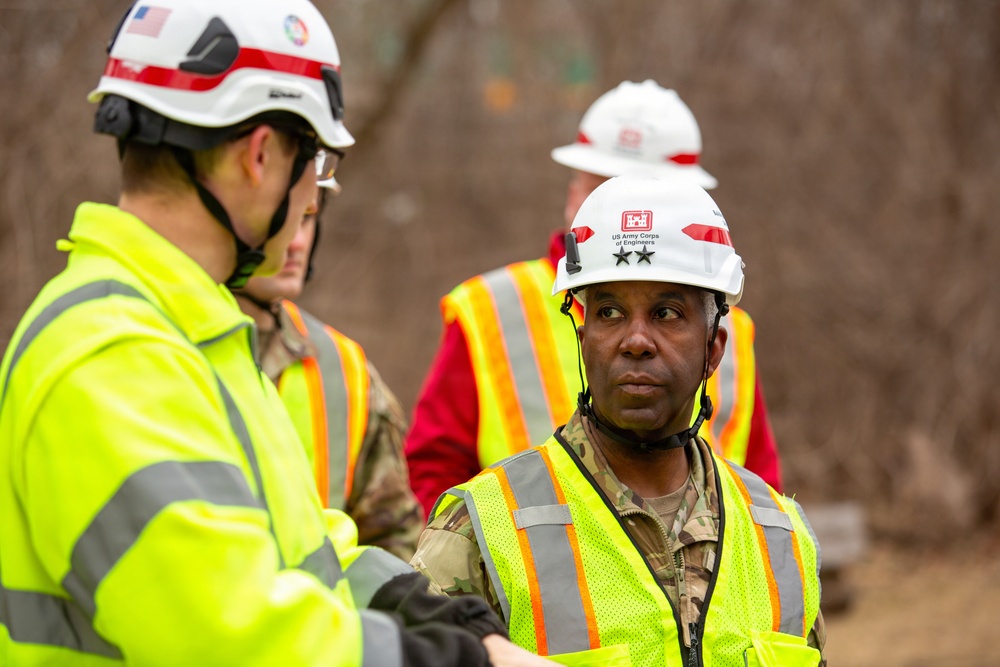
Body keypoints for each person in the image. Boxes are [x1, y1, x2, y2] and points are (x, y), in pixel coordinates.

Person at [0, 1, 556, 664]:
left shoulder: (197, 338)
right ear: (261, 155)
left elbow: (311, 555)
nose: (311, 201)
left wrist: (448, 620)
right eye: (313, 163)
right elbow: (231, 636)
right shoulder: (110, 355)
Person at [410, 175, 825, 666]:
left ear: (714, 348)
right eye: (609, 311)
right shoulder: (480, 530)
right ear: (584, 338)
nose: (635, 340)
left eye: (667, 313)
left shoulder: (782, 538)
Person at [405, 80, 782, 519]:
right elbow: (433, 473)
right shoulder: (490, 310)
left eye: (652, 194)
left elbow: (759, 489)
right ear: (574, 193)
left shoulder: (730, 327)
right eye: (606, 188)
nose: (629, 214)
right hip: (533, 577)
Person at [234, 178, 423, 561]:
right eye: (279, 218)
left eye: (307, 219)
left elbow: (395, 545)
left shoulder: (344, 370)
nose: (297, 242)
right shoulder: (158, 346)